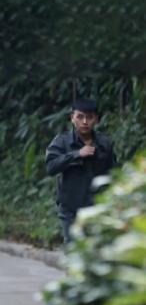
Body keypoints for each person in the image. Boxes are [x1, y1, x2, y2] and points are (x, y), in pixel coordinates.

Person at [45, 98, 116, 245]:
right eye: (80, 117)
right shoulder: (62, 141)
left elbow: (113, 174)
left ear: (96, 119)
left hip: (97, 209)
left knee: (96, 252)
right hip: (70, 209)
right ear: (72, 118)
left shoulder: (104, 143)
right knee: (73, 250)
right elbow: (51, 167)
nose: (85, 122)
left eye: (89, 117)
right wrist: (76, 154)